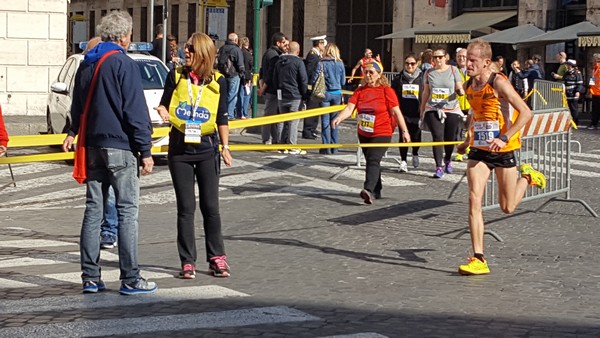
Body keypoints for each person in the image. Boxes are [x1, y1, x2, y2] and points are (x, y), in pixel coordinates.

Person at [62, 11, 157, 294]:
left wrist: (72, 131)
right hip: (120, 145)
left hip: (92, 145)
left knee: (93, 210)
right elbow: (135, 110)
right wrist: (146, 149)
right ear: (124, 36)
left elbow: (76, 104)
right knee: (127, 211)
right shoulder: (123, 63)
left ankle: (90, 277)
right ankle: (130, 278)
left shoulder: (87, 64)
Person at [456, 39, 546, 275]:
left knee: (507, 207)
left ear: (486, 62)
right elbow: (475, 117)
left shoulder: (500, 83)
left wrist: (505, 137)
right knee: (474, 199)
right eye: (466, 60)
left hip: (504, 149)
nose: (468, 65)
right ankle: (479, 258)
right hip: (480, 150)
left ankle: (527, 177)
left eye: (473, 60)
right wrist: (467, 141)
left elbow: (527, 113)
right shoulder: (468, 87)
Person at [154, 32, 233, 280]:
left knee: (211, 207)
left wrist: (226, 147)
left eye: (190, 48)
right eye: (185, 47)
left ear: (202, 53)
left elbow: (222, 118)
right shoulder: (176, 75)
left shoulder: (219, 81)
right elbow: (164, 103)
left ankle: (217, 258)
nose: (184, 51)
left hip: (208, 149)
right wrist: (163, 111)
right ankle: (187, 261)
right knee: (186, 208)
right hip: (180, 150)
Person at [332, 60, 411, 204]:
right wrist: (339, 118)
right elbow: (350, 108)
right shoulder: (360, 91)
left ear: (379, 74)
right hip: (364, 132)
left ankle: (367, 189)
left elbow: (396, 112)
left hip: (382, 131)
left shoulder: (387, 91)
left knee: (374, 159)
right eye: (365, 72)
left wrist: (404, 131)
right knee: (372, 161)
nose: (367, 75)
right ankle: (377, 190)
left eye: (371, 72)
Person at [82, 36, 119, 251]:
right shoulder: (117, 66)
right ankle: (109, 231)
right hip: (112, 140)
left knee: (95, 198)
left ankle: (105, 232)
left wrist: (73, 131)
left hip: (93, 142)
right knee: (113, 194)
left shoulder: (86, 69)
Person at [419, 48, 465, 178]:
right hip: (434, 108)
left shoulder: (453, 70)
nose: (437, 60)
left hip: (451, 108)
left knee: (450, 137)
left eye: (440, 57)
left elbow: (459, 86)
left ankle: (448, 160)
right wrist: (422, 110)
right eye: (435, 57)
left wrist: (460, 91)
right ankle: (438, 166)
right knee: (438, 136)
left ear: (446, 57)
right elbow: (426, 92)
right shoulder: (429, 72)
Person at [273, 41, 308, 155]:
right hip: (295, 95)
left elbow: (275, 78)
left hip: (281, 94)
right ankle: (292, 145)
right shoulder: (299, 62)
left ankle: (280, 144)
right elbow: (303, 80)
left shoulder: (279, 61)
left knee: (281, 120)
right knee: (293, 122)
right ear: (298, 51)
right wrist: (305, 95)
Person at [391, 54, 423, 171]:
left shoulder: (422, 78)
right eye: (407, 64)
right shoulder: (398, 79)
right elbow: (393, 95)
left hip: (416, 112)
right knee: (403, 136)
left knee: (416, 136)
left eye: (412, 64)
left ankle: (415, 153)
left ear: (417, 64)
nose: (409, 66)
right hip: (402, 112)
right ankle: (403, 160)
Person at [258, 32, 289, 145]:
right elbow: (269, 74)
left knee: (274, 115)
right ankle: (267, 139)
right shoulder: (273, 55)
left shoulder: (270, 53)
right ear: (278, 43)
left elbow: (262, 72)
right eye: (284, 43)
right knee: (270, 115)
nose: (286, 46)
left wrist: (262, 87)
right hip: (272, 90)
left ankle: (275, 138)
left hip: (271, 90)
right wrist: (263, 88)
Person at [319, 43, 345, 154]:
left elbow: (316, 77)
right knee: (335, 121)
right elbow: (343, 81)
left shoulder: (322, 63)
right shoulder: (340, 63)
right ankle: (335, 147)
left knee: (325, 121)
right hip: (337, 93)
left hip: (326, 93)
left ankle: (326, 147)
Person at [303, 35, 327, 140]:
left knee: (316, 108)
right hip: (313, 87)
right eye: (323, 44)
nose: (324, 46)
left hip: (316, 87)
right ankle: (308, 130)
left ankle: (312, 128)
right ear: (319, 44)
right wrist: (310, 85)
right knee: (312, 108)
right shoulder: (313, 55)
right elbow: (310, 71)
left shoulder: (317, 55)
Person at [217, 32, 245, 120]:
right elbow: (240, 64)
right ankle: (230, 114)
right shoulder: (236, 50)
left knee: (224, 95)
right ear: (236, 40)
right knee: (232, 95)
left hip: (222, 75)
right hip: (234, 75)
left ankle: (223, 112)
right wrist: (242, 74)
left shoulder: (222, 48)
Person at [455, 47, 470, 162]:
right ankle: (459, 152)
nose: (462, 59)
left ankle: (469, 148)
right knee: (458, 130)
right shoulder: (454, 71)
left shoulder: (472, 71)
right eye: (459, 56)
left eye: (464, 56)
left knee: (470, 129)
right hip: (457, 105)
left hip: (470, 105)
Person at [563, 59, 584, 126]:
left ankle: (575, 122)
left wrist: (577, 91)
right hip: (567, 93)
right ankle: (569, 121)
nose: (566, 66)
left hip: (573, 93)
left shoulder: (577, 73)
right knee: (568, 108)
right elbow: (564, 80)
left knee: (574, 108)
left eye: (568, 64)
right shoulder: (567, 73)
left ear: (571, 65)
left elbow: (580, 83)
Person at [236, 36, 253, 120]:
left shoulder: (239, 52)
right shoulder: (248, 54)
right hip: (247, 76)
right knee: (246, 95)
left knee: (240, 94)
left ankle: (239, 113)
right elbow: (251, 64)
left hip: (239, 75)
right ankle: (244, 113)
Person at [588, 53, 600, 130]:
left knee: (596, 109)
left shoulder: (598, 68)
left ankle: (594, 123)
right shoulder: (595, 68)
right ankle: (594, 123)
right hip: (595, 92)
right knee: (595, 109)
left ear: (596, 60)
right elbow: (593, 79)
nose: (591, 60)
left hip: (598, 92)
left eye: (593, 59)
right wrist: (590, 90)